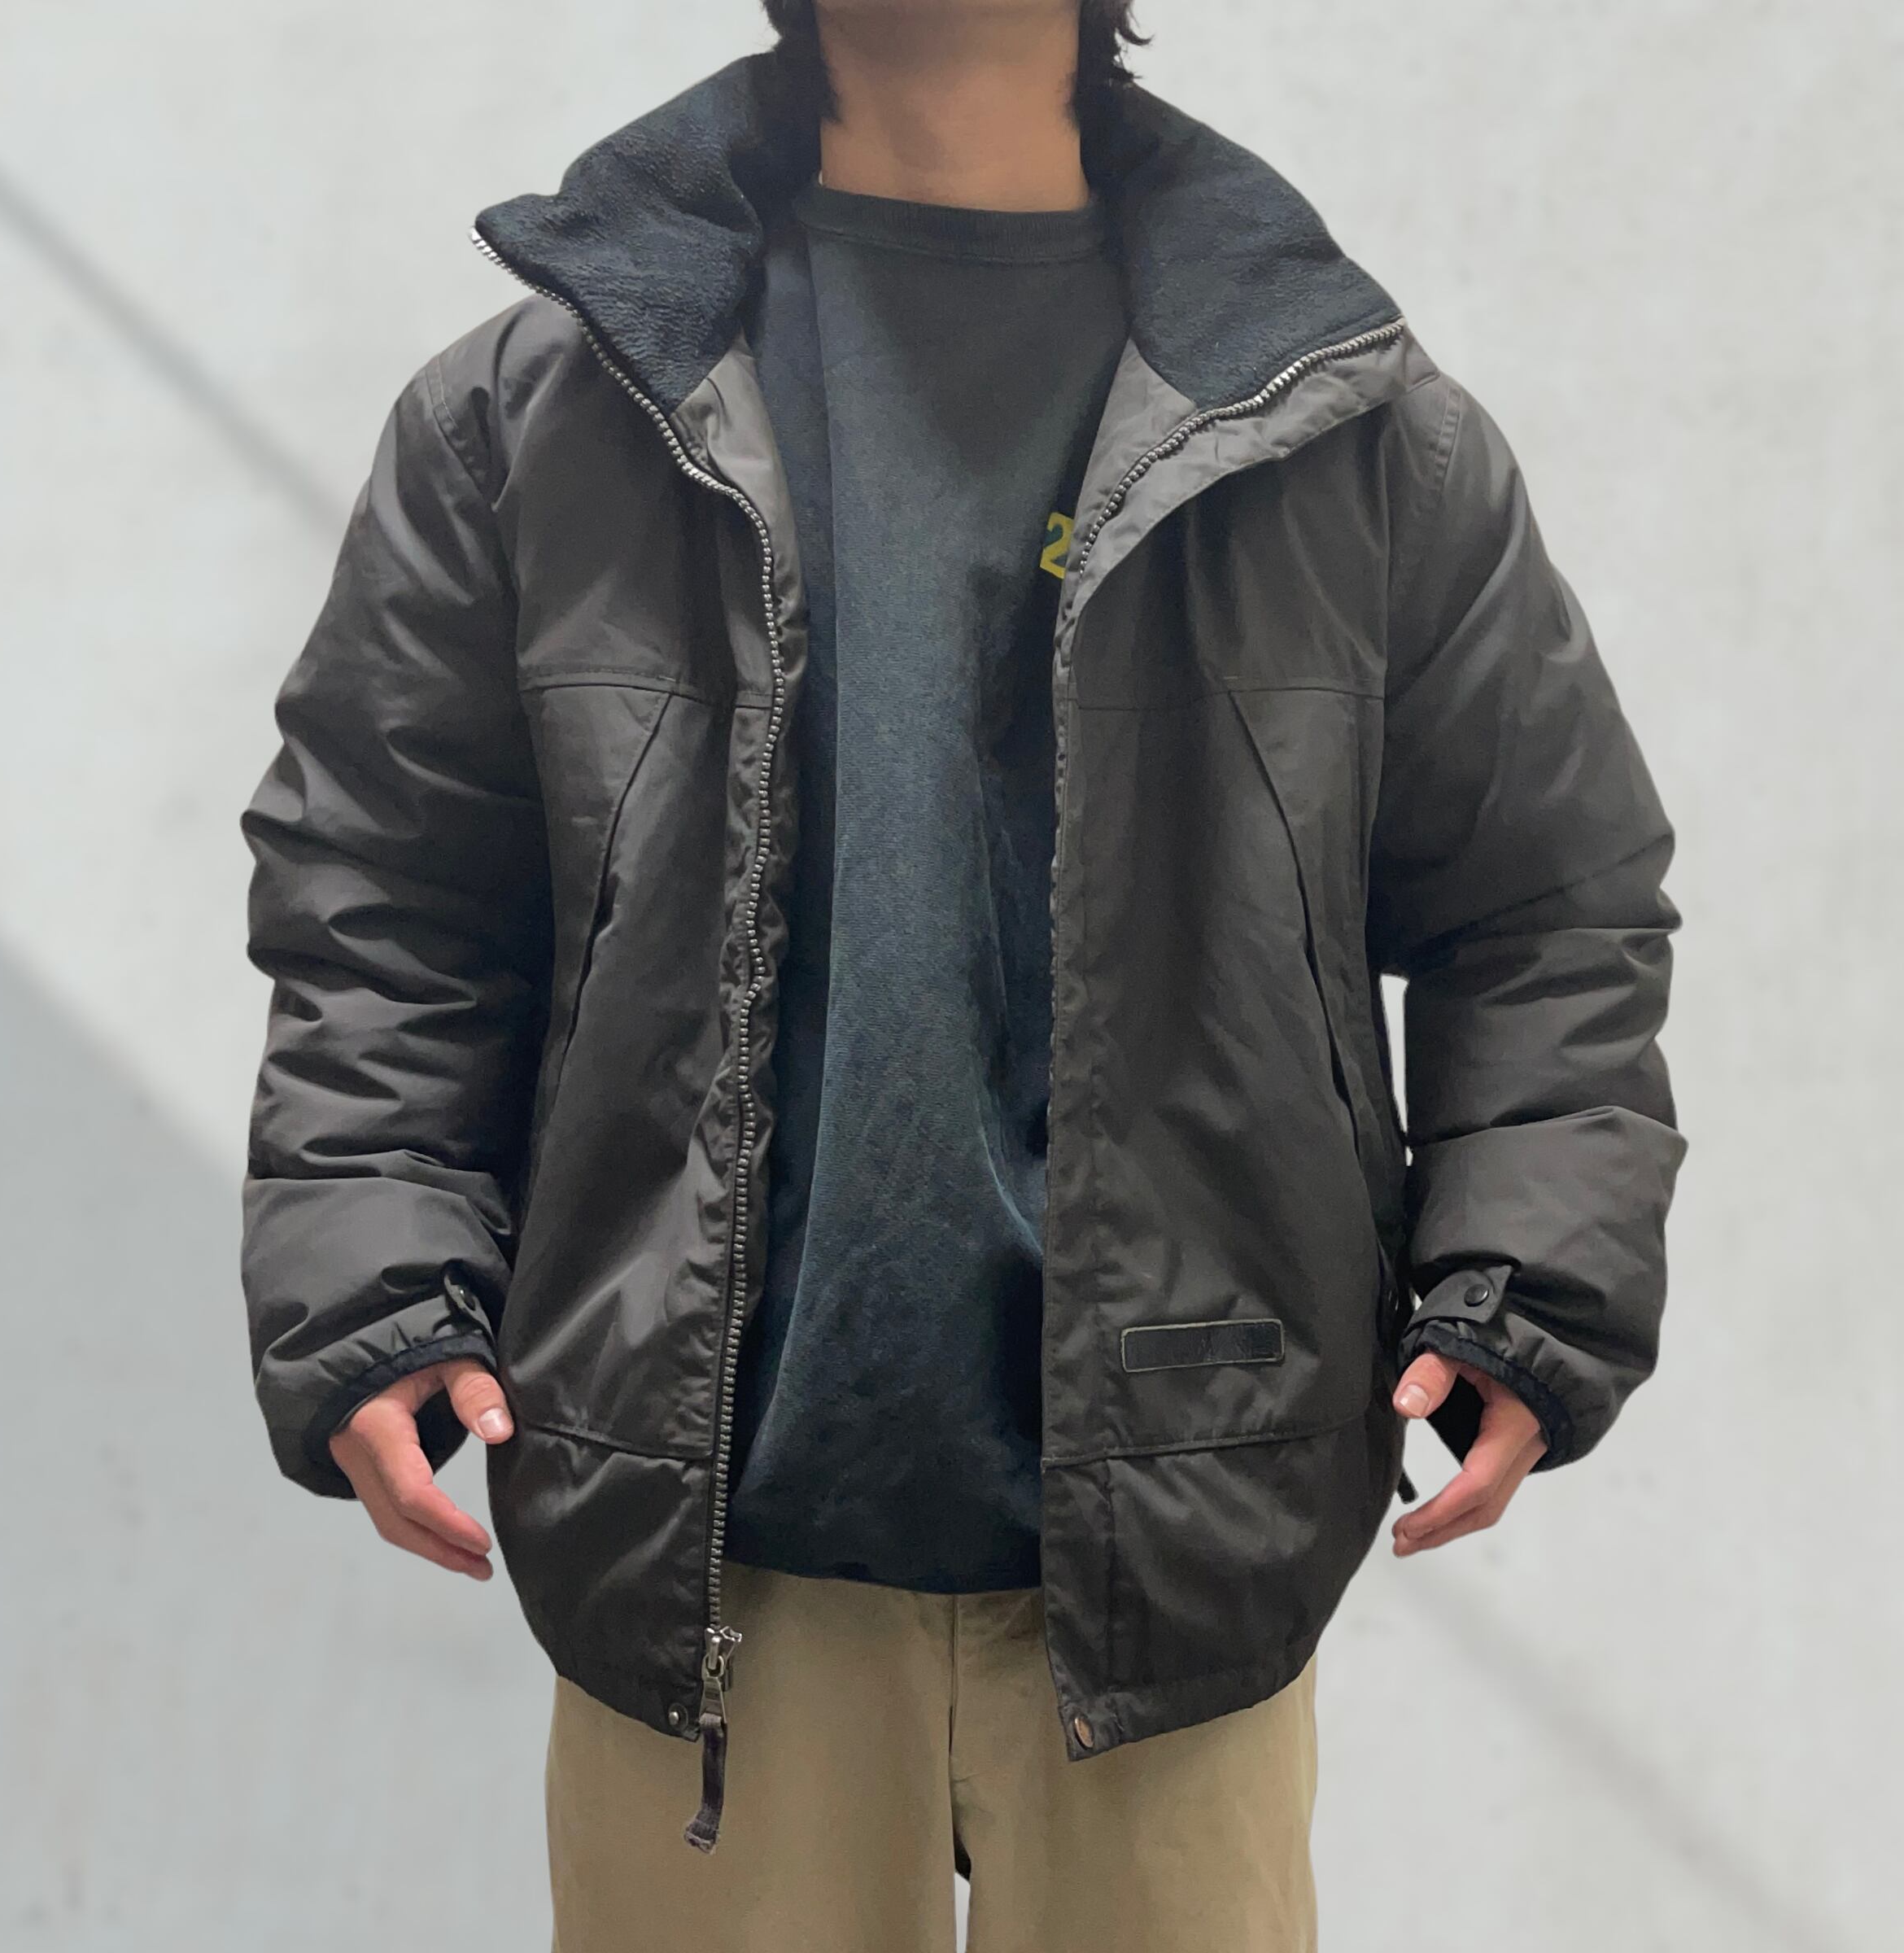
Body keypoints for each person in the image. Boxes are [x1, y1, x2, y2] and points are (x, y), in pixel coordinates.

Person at [238, 2, 1685, 1946]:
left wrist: (1524, 1290)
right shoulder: (535, 414)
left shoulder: (1349, 425)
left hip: (1186, 1551)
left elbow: (1549, 902)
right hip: (703, 1557)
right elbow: (387, 903)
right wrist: (381, 1288)